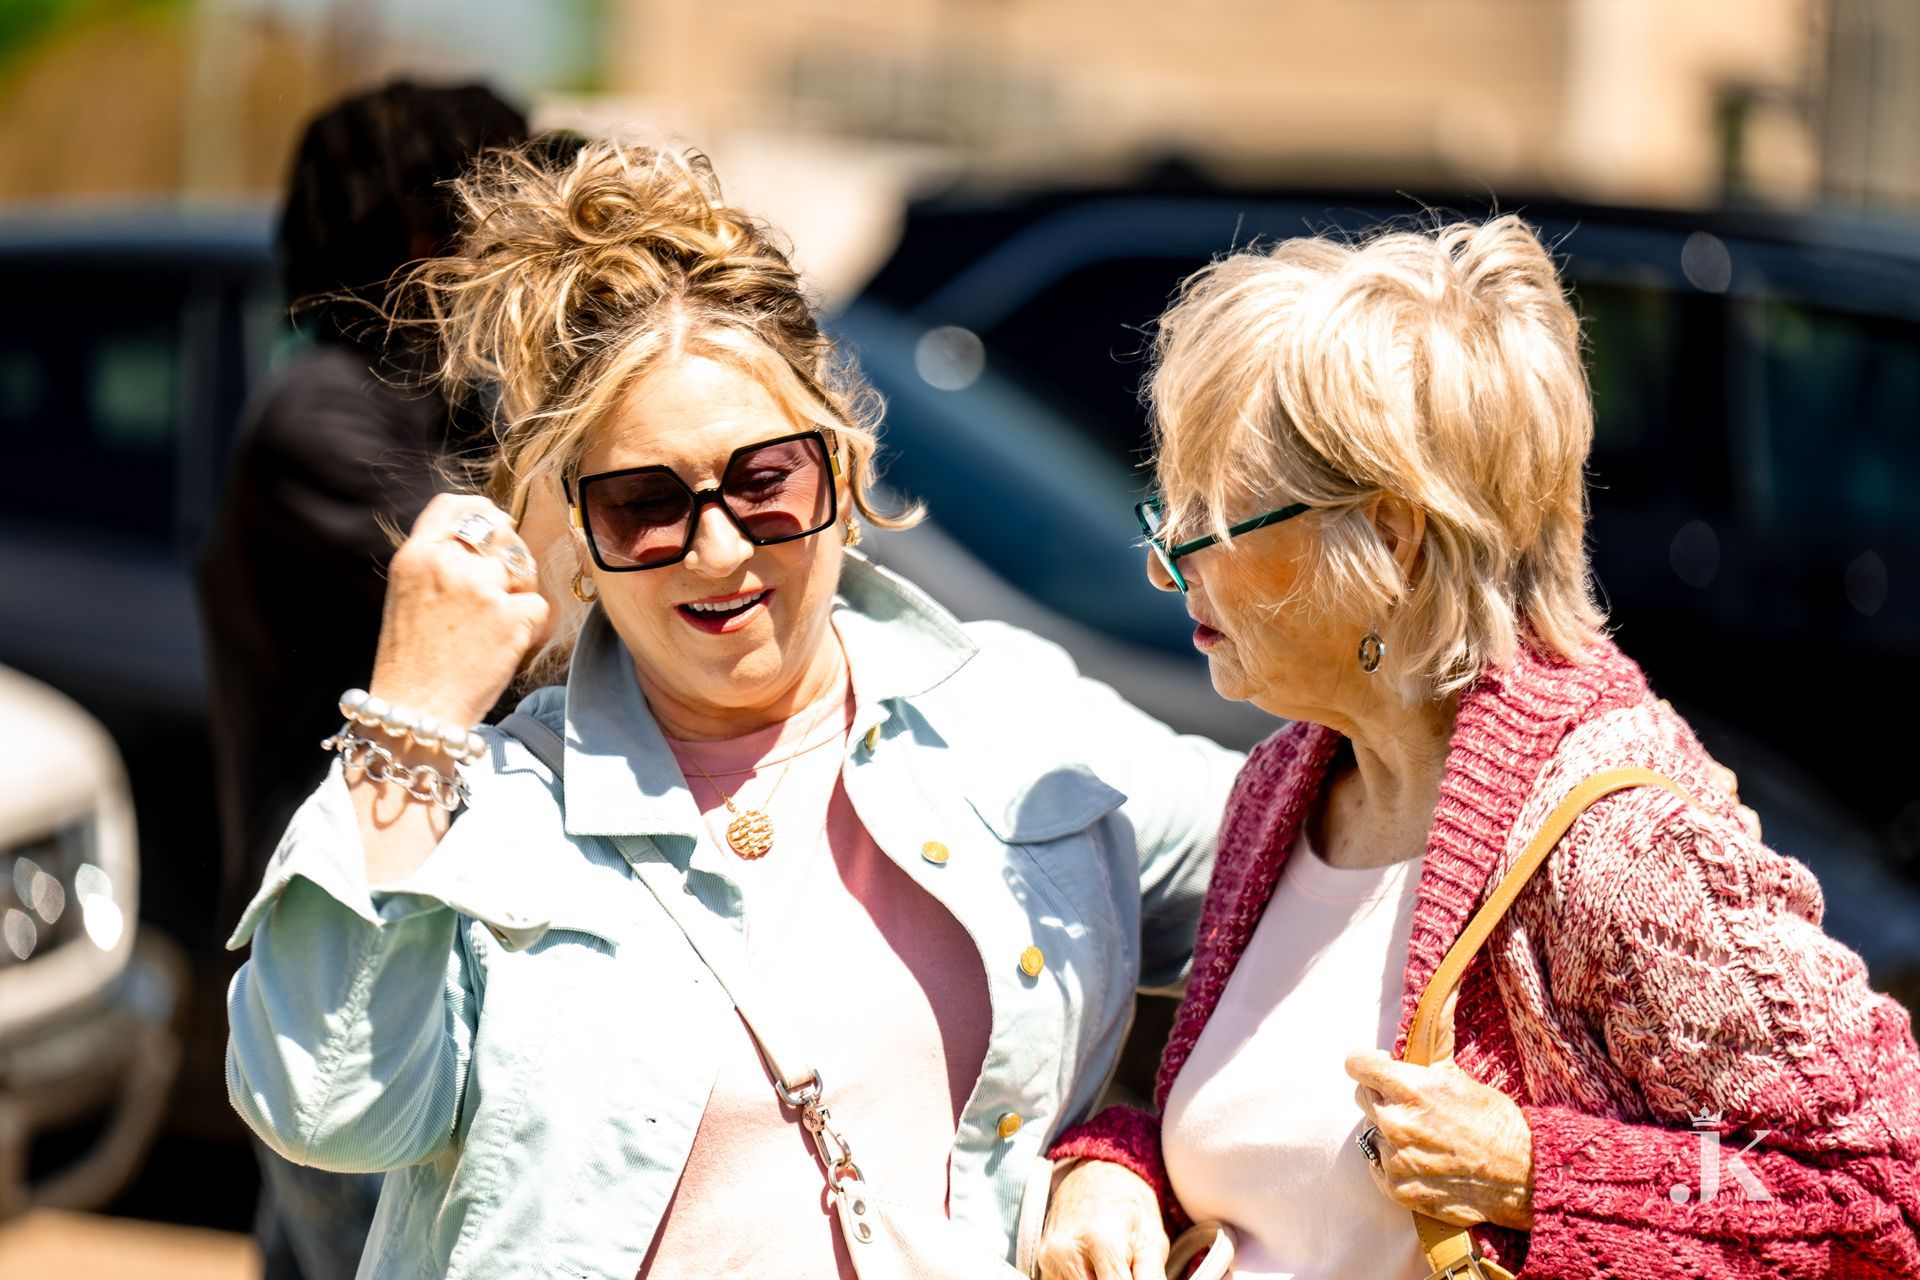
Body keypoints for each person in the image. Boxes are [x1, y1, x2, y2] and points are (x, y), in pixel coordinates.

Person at [222, 138, 1242, 1280]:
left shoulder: (1012, 722)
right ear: (579, 534)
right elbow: (324, 1103)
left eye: (764, 483)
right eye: (645, 505)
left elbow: (1328, 901)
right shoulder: (496, 804)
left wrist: (1127, 1148)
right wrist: (410, 714)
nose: (717, 548)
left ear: (842, 472)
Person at [1037, 216, 1920, 1279]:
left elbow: (1879, 1190)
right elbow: (1281, 1166)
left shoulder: (1618, 845)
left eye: (1207, 521)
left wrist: (1538, 1174)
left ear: (1391, 535)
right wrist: (1118, 1163)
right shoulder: (1291, 777)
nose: (1160, 564)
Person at [196, 81, 529, 1280]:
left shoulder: (428, 403)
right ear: (422, 231)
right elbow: (518, 600)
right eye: (498, 202)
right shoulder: (322, 417)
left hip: (396, 920)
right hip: (339, 934)